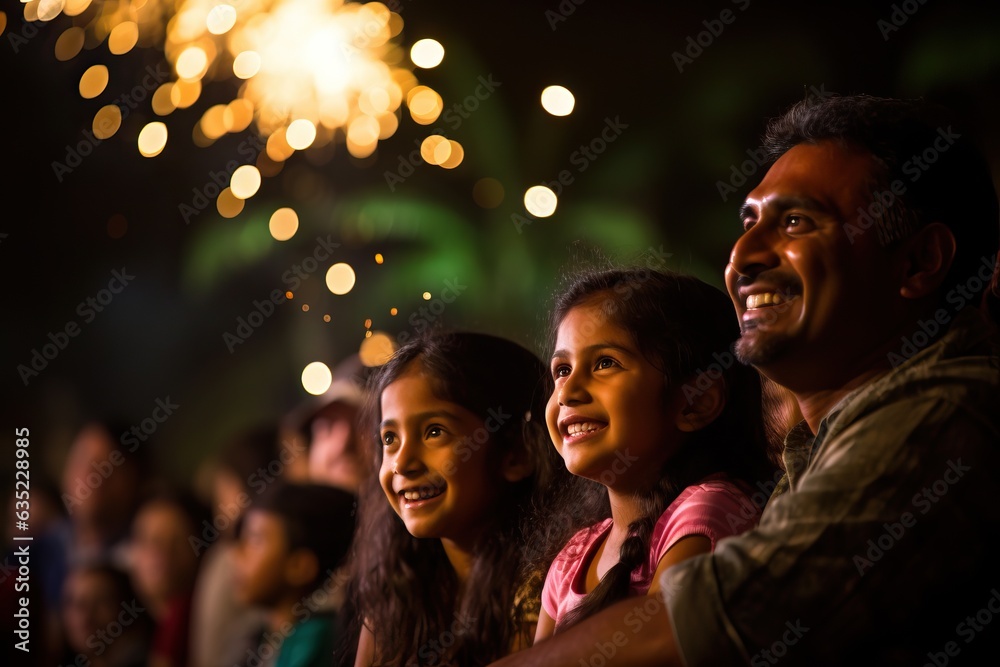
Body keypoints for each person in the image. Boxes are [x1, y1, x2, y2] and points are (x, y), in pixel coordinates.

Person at [486, 93, 1000, 666]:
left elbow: (718, 620)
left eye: (797, 222)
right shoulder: (814, 448)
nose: (743, 256)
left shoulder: (947, 415)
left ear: (919, 262)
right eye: (750, 222)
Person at [534, 267, 777, 640]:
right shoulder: (572, 558)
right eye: (562, 369)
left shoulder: (709, 512)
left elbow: (659, 646)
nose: (567, 392)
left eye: (605, 363)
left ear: (695, 402)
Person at [349, 331, 571, 666]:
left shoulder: (546, 585)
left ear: (516, 454)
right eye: (390, 438)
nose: (402, 464)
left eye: (434, 432)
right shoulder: (392, 595)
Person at [233, 481, 357, 667]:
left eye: (255, 540)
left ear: (300, 567)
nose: (238, 553)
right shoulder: (262, 635)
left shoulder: (316, 638)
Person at [127, 489, 208, 667]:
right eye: (145, 539)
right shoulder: (131, 636)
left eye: (175, 540)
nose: (157, 551)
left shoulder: (193, 621)